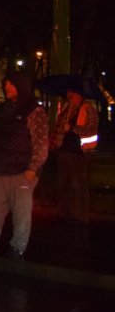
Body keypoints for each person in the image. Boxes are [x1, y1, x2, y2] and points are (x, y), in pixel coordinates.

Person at [0, 72, 48, 260]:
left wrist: (32, 170)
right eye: (6, 84)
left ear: (20, 86)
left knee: (21, 213)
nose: (6, 87)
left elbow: (41, 142)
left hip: (21, 172)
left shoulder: (34, 111)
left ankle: (17, 248)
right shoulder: (3, 110)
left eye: (10, 84)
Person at [51, 81, 100, 223]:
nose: (68, 96)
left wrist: (72, 128)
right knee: (63, 184)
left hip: (79, 154)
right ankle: (65, 213)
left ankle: (81, 216)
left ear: (78, 94)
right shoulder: (67, 108)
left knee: (78, 185)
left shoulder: (88, 109)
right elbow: (59, 128)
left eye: (70, 94)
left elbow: (91, 129)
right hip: (64, 151)